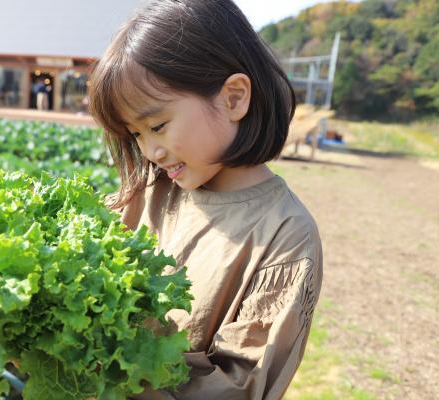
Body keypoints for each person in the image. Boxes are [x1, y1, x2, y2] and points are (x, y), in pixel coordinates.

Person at [87, 1, 323, 399]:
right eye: (136, 135)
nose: (150, 152)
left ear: (233, 98)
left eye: (158, 126)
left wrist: (93, 369)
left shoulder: (285, 237)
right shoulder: (145, 195)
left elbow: (235, 387)